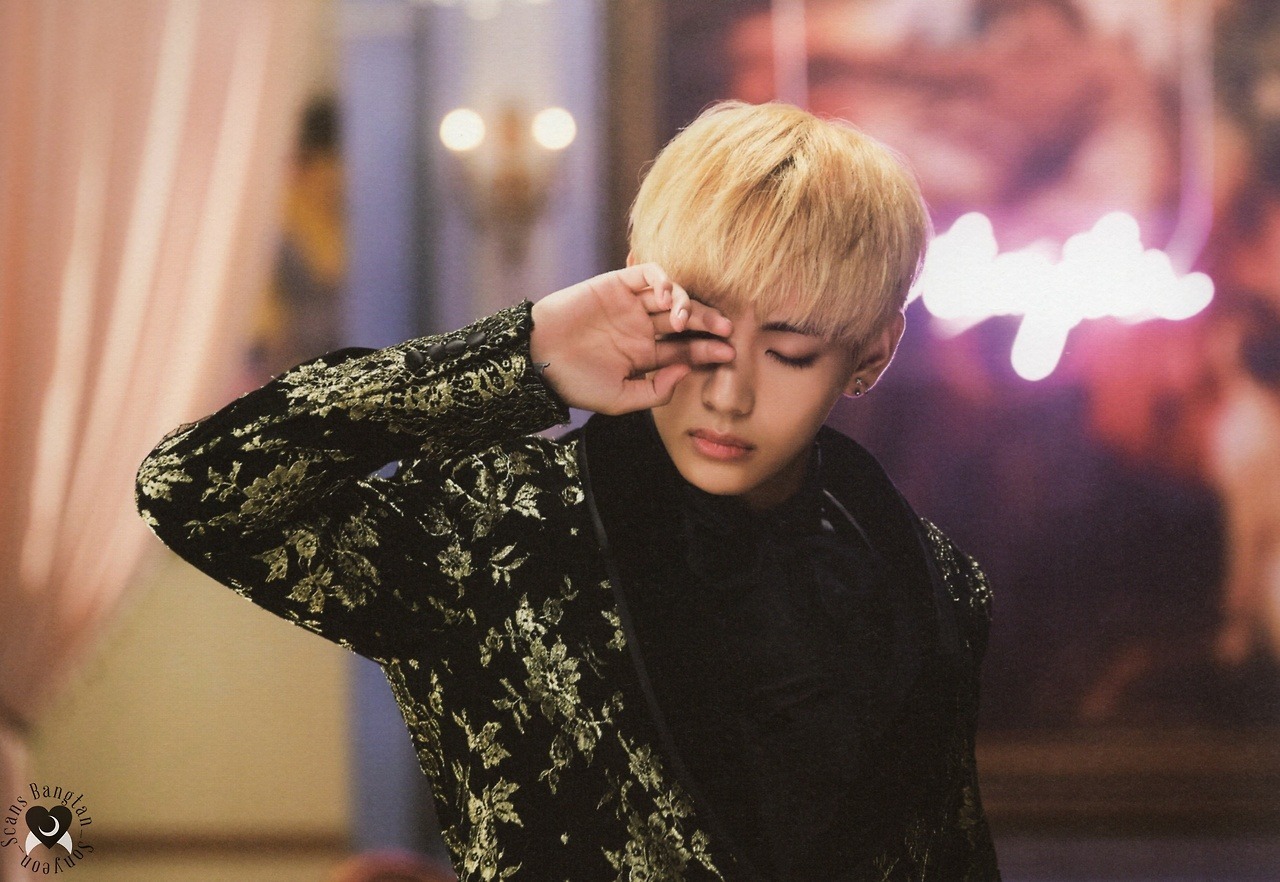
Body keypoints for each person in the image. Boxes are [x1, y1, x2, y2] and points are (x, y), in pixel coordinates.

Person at [135, 101, 999, 880]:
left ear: (874, 352)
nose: (729, 394)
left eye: (789, 352)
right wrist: (527, 352)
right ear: (640, 285)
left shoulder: (935, 585)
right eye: (697, 328)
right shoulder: (496, 529)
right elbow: (191, 486)